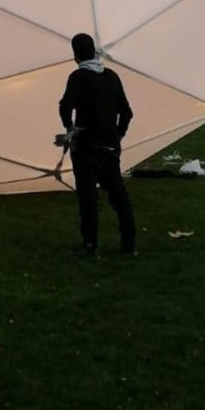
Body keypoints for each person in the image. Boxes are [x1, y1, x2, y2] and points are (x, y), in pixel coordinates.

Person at [58, 32, 136, 258]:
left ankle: (90, 245)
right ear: (94, 51)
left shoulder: (78, 77)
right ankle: (129, 244)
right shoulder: (112, 77)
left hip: (85, 148)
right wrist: (117, 136)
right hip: (109, 147)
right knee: (119, 196)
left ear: (75, 55)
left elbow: (65, 106)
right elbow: (127, 112)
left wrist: (70, 129)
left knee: (88, 198)